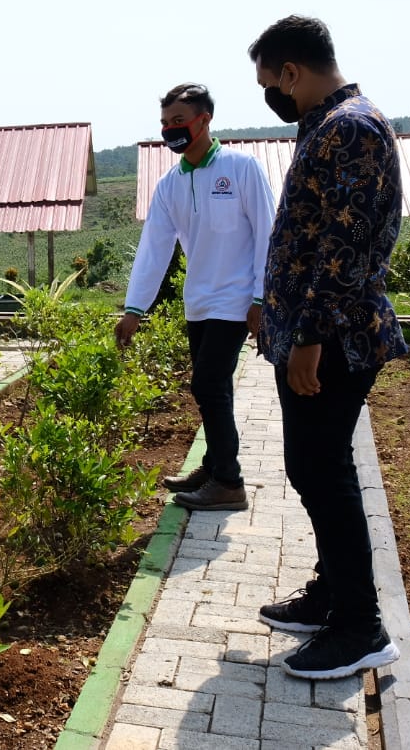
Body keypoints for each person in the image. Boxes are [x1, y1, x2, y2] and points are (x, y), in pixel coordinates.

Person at [249, 15, 405, 679]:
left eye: (270, 83)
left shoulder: (352, 129)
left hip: (333, 340)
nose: (271, 96)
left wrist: (309, 336)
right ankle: (331, 592)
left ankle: (360, 626)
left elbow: (343, 246)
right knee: (312, 467)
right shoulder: (329, 126)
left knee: (324, 471)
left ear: (292, 72)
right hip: (313, 335)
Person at [116, 83, 275, 512]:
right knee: (214, 387)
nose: (171, 129)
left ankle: (229, 482)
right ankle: (213, 464)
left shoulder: (241, 169)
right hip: (199, 303)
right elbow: (155, 248)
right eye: (166, 123)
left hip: (236, 301)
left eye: (179, 121)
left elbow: (268, 233)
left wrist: (262, 298)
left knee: (207, 385)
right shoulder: (170, 184)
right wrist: (134, 308)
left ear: (204, 120)